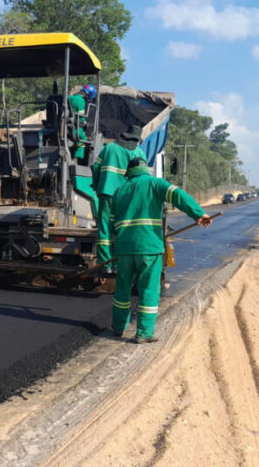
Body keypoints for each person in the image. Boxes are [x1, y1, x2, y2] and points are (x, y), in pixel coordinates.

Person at [110, 157, 212, 343]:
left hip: (124, 249)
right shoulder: (155, 183)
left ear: (129, 172)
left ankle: (118, 326)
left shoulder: (119, 191)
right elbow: (178, 195)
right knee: (148, 289)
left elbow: (111, 222)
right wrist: (198, 213)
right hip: (149, 248)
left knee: (122, 290)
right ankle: (144, 332)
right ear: (145, 170)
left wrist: (113, 245)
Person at [91, 125, 147, 268]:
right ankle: (118, 265)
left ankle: (105, 265)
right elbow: (143, 179)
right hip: (126, 197)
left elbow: (96, 168)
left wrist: (97, 187)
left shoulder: (109, 148)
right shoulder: (139, 152)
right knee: (121, 229)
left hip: (107, 193)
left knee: (105, 229)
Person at [68, 84, 95, 160]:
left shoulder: (70, 97)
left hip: (64, 124)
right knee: (82, 138)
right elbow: (81, 117)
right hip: (73, 127)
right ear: (87, 95)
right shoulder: (81, 101)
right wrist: (85, 123)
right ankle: (77, 159)